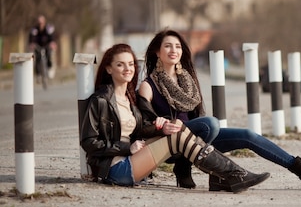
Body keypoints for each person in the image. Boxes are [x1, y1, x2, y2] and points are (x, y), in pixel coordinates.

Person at [137, 29, 301, 192]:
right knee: (210, 123)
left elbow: (196, 119)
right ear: (156, 52)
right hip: (170, 146)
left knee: (247, 135)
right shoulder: (148, 85)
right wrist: (164, 126)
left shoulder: (188, 82)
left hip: (198, 141)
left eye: (178, 46)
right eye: (168, 46)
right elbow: (144, 126)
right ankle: (188, 166)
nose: (174, 50)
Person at [80, 43, 270, 193]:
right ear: (108, 69)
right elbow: (88, 142)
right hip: (116, 168)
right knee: (179, 137)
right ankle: (233, 175)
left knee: (177, 130)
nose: (127, 69)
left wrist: (159, 126)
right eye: (120, 64)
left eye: (130, 64)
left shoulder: (130, 99)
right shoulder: (101, 100)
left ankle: (230, 176)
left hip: (134, 158)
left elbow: (138, 130)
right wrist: (126, 147)